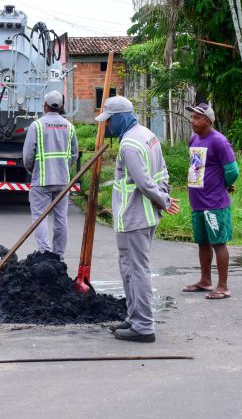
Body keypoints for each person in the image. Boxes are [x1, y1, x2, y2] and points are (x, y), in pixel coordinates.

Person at [96, 96, 180, 343]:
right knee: (130, 269)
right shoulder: (147, 135)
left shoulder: (129, 145)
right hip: (144, 216)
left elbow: (143, 182)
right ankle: (134, 318)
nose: (108, 126)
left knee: (137, 270)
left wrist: (162, 200)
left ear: (121, 117)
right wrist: (164, 196)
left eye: (110, 120)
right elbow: (162, 170)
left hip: (134, 216)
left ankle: (143, 326)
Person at [181, 103, 239, 300]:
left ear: (208, 120)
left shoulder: (219, 141)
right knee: (203, 243)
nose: (192, 120)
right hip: (197, 201)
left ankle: (223, 286)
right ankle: (205, 281)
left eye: (197, 117)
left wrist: (224, 184)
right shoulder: (194, 139)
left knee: (218, 243)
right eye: (192, 117)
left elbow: (232, 170)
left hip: (214, 203)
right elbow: (198, 168)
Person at [22, 90, 78, 258]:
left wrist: (33, 171)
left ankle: (45, 254)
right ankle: (59, 255)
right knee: (61, 219)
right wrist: (65, 168)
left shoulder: (37, 125)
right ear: (61, 106)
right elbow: (74, 154)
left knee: (40, 218)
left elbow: (27, 156)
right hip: (63, 181)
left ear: (45, 105)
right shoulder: (70, 126)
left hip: (42, 181)